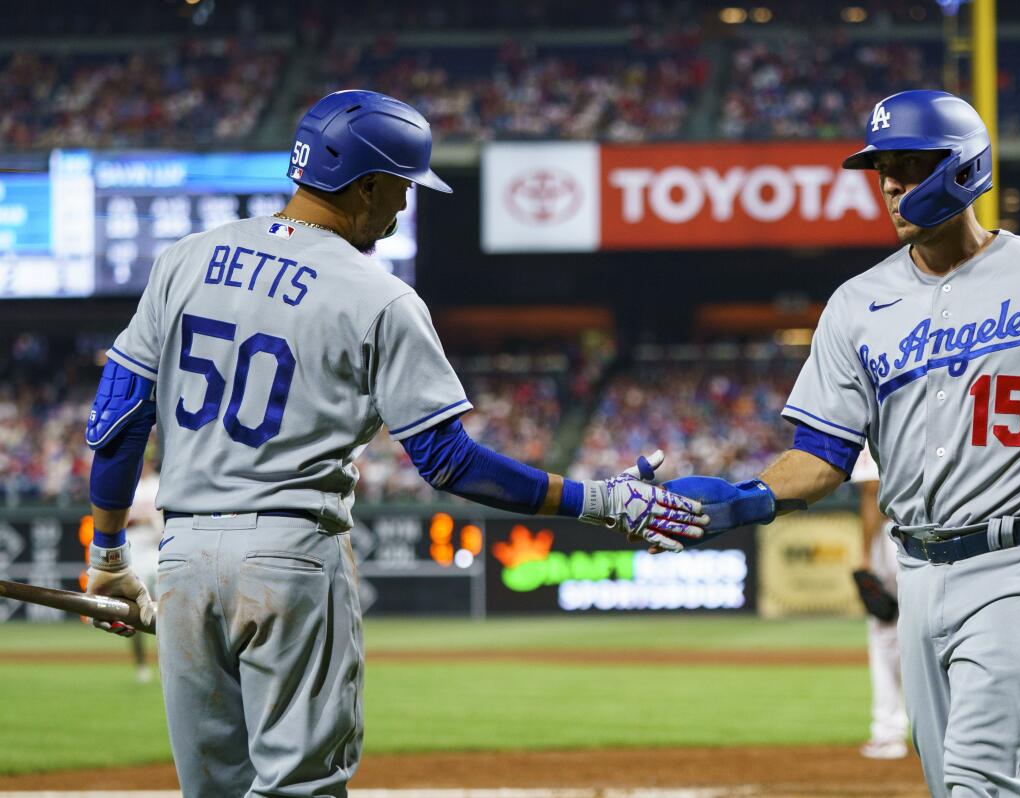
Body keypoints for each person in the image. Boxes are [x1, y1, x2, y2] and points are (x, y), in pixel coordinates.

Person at [80, 89, 707, 798]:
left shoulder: (187, 257)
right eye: (402, 187)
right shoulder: (378, 296)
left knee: (214, 792)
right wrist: (599, 500)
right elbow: (449, 461)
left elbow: (121, 413)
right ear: (367, 184)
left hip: (182, 559)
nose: (404, 207)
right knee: (300, 789)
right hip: (289, 560)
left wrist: (107, 556)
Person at [662, 90, 1020, 797]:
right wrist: (739, 502)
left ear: (963, 167)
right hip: (918, 574)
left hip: (1019, 563)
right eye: (882, 168)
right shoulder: (855, 305)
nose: (890, 184)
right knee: (957, 788)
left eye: (907, 163)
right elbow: (820, 459)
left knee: (976, 785)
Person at [850, 449, 908, 760]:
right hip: (942, 534)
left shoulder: (879, 419)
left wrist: (864, 555)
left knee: (885, 636)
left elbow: (872, 492)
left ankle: (888, 733)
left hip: (894, 538)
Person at [124, 463, 163, 683]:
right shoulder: (128, 484)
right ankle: (141, 664)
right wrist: (141, 520)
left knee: (166, 608)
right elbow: (116, 518)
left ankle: (167, 661)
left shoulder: (158, 482)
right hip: (134, 550)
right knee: (136, 610)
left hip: (157, 549)